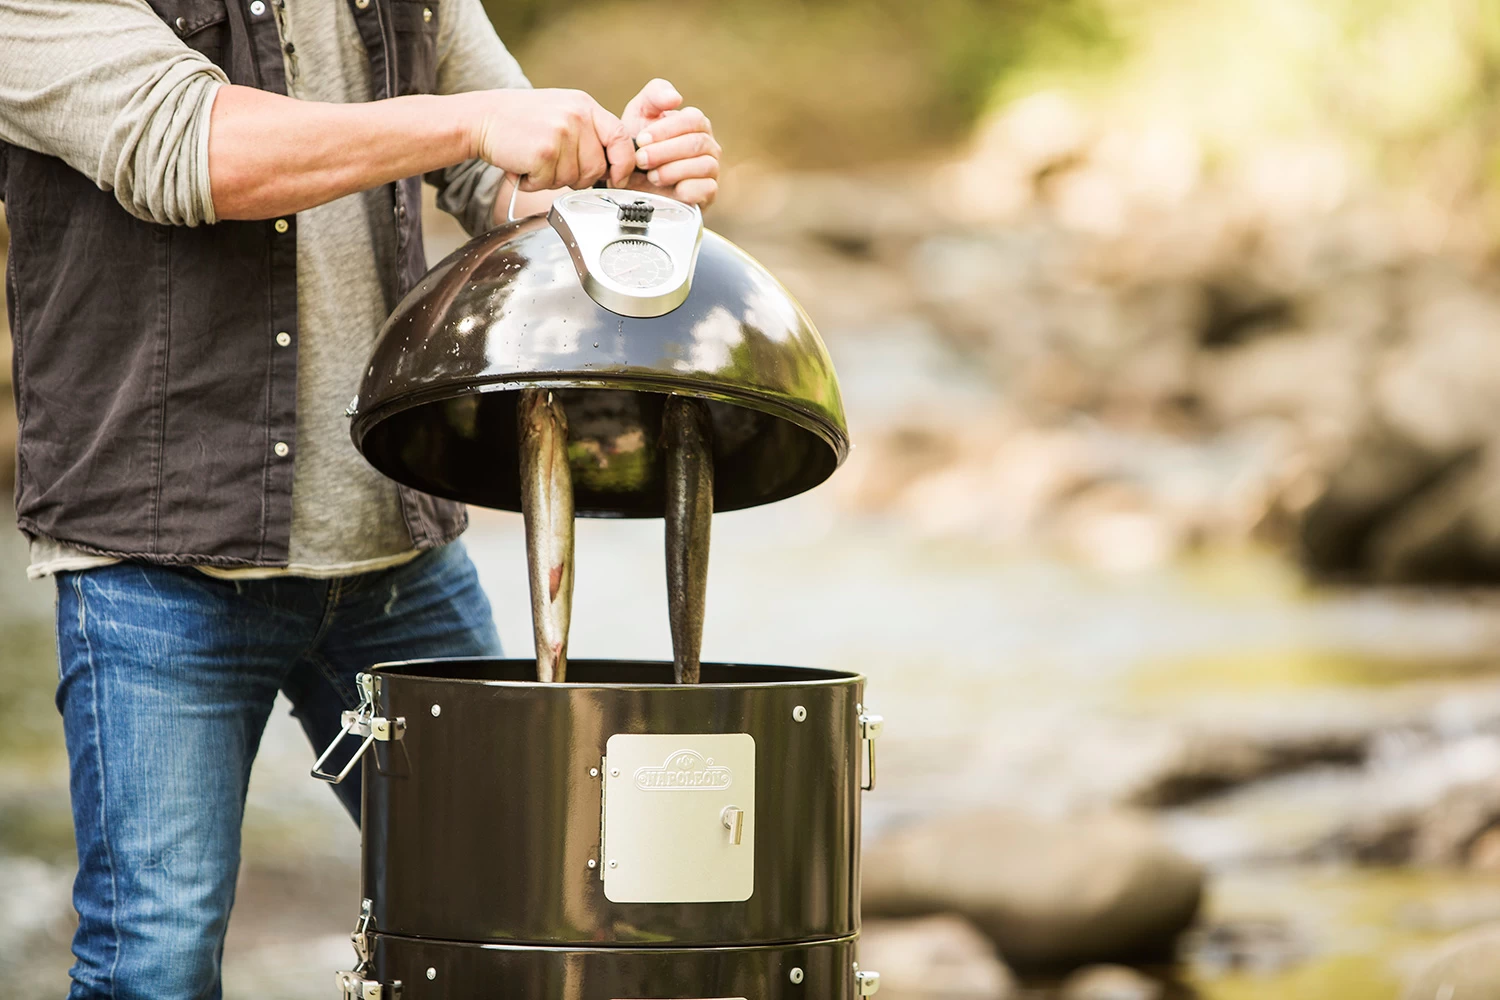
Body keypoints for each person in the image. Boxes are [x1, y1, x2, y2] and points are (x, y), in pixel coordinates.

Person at [0, 2, 722, 998]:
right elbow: (194, 152)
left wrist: (616, 192)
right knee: (154, 964)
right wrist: (472, 122)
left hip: (398, 548)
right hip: (155, 563)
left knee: (524, 918)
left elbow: (507, 186)